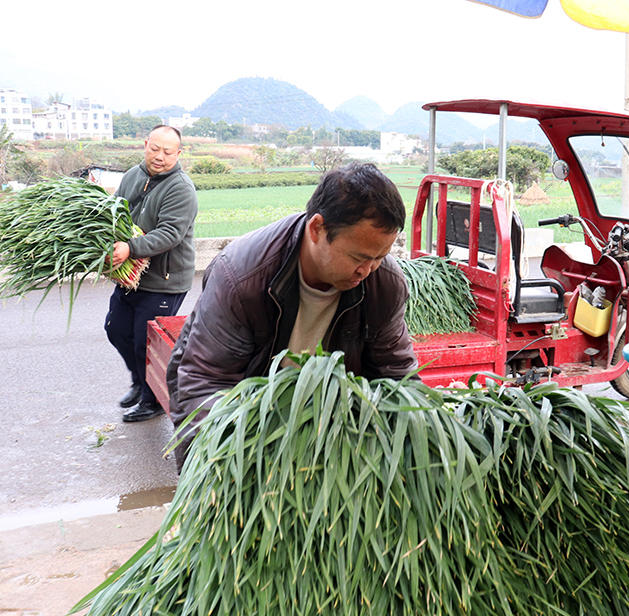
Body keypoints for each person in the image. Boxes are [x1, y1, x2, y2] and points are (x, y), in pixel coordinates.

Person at [165, 163, 417, 471]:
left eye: (380, 256)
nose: (368, 270)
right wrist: (234, 465)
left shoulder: (384, 284)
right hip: (249, 426)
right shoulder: (241, 276)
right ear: (316, 229)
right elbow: (206, 383)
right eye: (359, 257)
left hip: (328, 430)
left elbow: (397, 378)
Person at [106, 125, 198, 422]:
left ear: (179, 153)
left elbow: (170, 233)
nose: (159, 157)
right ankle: (139, 381)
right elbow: (115, 213)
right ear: (145, 144)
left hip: (165, 279)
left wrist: (130, 248)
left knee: (145, 341)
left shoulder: (181, 188)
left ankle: (154, 400)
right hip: (131, 275)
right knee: (116, 328)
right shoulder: (133, 175)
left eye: (168, 152)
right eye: (154, 149)